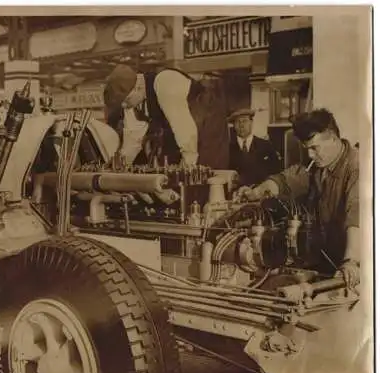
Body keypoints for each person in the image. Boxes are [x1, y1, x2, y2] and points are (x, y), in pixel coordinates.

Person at [233, 108, 360, 288]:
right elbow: (290, 179)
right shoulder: (318, 165)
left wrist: (351, 262)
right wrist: (257, 191)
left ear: (332, 138)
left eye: (314, 148)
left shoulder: (357, 167)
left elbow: (355, 217)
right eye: (307, 149)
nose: (310, 155)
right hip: (325, 260)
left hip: (351, 264)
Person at [103, 64, 230, 169]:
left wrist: (188, 163)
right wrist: (118, 169)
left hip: (207, 124)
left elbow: (184, 128)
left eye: (126, 101)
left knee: (206, 175)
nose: (125, 106)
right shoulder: (133, 103)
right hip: (188, 132)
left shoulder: (165, 81)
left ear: (138, 87)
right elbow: (132, 141)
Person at [228, 108, 282, 186]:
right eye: (237, 122)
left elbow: (276, 173)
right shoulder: (228, 149)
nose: (241, 125)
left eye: (244, 121)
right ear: (234, 126)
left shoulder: (266, 146)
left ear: (251, 122)